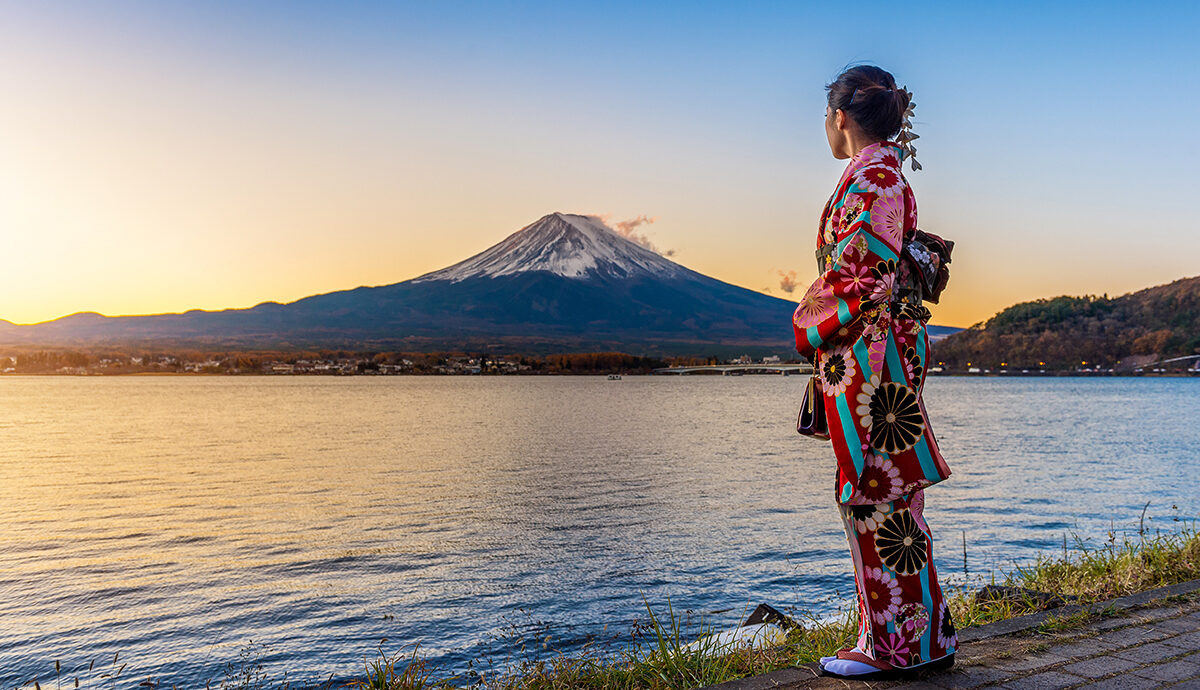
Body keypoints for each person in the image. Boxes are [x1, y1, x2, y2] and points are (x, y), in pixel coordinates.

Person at [793, 65, 956, 679]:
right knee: (889, 492)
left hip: (873, 350)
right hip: (883, 346)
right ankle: (920, 637)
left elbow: (857, 273)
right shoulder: (884, 174)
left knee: (874, 490)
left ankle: (892, 646)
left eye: (826, 118)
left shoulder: (873, 179)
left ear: (840, 118)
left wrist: (808, 318)